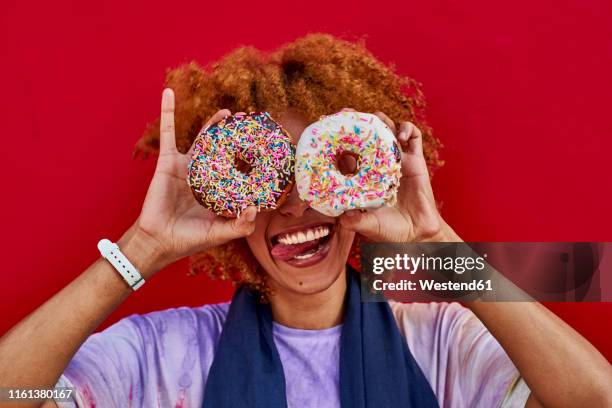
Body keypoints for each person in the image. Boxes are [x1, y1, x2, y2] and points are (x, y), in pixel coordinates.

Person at [0, 34, 610, 408]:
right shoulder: (168, 354)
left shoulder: (439, 343)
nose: (294, 207)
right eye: (272, 181)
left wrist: (438, 246)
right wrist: (142, 246)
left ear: (362, 185)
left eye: (317, 175)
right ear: (229, 197)